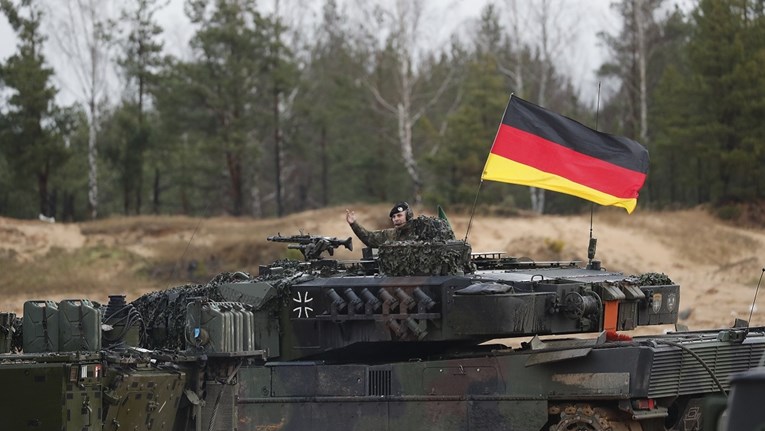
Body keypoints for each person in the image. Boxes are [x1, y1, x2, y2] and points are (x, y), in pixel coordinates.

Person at [345, 202, 418, 248]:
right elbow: (369, 237)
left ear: (408, 216)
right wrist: (354, 224)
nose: (395, 219)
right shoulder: (390, 234)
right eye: (393, 217)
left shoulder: (420, 230)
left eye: (399, 215)